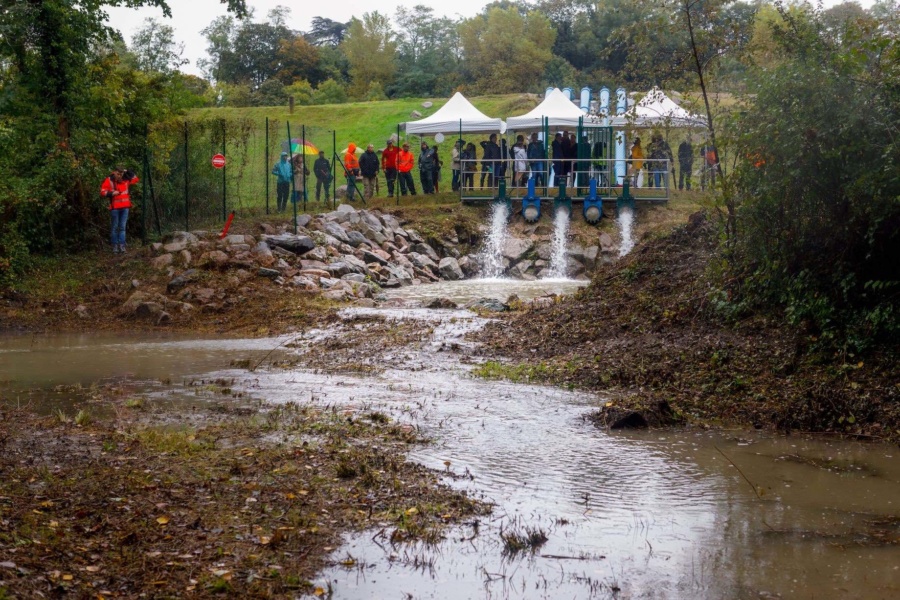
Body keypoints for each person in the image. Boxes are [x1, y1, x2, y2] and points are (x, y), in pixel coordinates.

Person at [101, 166, 139, 253]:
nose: (119, 176)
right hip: (115, 208)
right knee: (114, 227)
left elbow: (136, 179)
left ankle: (122, 246)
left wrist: (127, 170)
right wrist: (112, 193)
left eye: (121, 174)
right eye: (118, 174)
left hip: (125, 207)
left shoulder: (126, 179)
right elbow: (103, 191)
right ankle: (115, 247)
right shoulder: (109, 180)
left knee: (122, 227)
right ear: (114, 172)